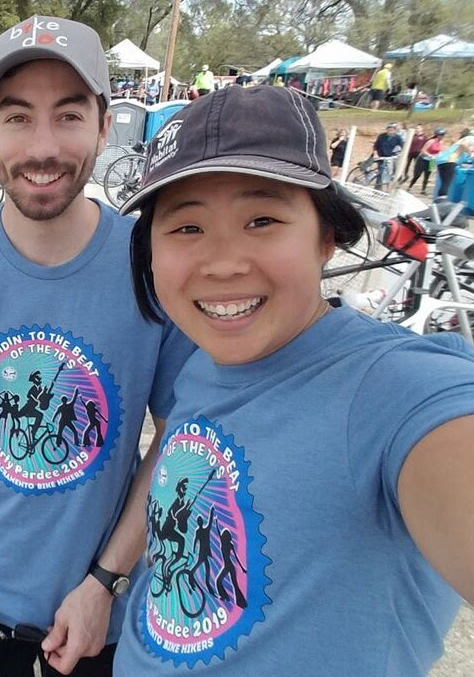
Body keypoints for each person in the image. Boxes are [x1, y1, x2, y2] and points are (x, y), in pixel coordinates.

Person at [112, 84, 474, 676]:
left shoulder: (393, 389)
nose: (223, 262)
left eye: (262, 219)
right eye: (186, 228)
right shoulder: (206, 362)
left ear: (325, 237)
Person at [0, 14, 194, 677]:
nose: (43, 147)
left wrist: (105, 581)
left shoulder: (152, 266)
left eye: (69, 115)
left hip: (99, 614)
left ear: (105, 125)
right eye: (19, 117)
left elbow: (177, 439)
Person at [434, 134, 474, 200]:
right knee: (447, 183)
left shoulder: (464, 140)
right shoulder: (471, 138)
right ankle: (441, 201)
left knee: (444, 183)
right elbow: (463, 144)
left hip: (442, 160)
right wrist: (470, 153)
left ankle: (439, 200)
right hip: (449, 160)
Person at [408, 127, 446, 195]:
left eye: (443, 135)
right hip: (423, 159)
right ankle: (410, 186)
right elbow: (423, 150)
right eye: (441, 135)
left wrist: (440, 155)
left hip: (432, 160)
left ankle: (423, 189)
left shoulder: (441, 142)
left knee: (427, 175)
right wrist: (429, 155)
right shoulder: (431, 141)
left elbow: (440, 150)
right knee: (417, 175)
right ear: (437, 135)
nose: (442, 137)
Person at [372, 122, 403, 190]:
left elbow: (402, 147)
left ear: (395, 130)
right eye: (389, 129)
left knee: (393, 172)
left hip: (391, 157)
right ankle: (377, 189)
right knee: (381, 172)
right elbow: (375, 146)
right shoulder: (382, 136)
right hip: (381, 156)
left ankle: (392, 187)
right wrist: (375, 154)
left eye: (392, 130)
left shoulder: (398, 138)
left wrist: (399, 154)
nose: (390, 131)